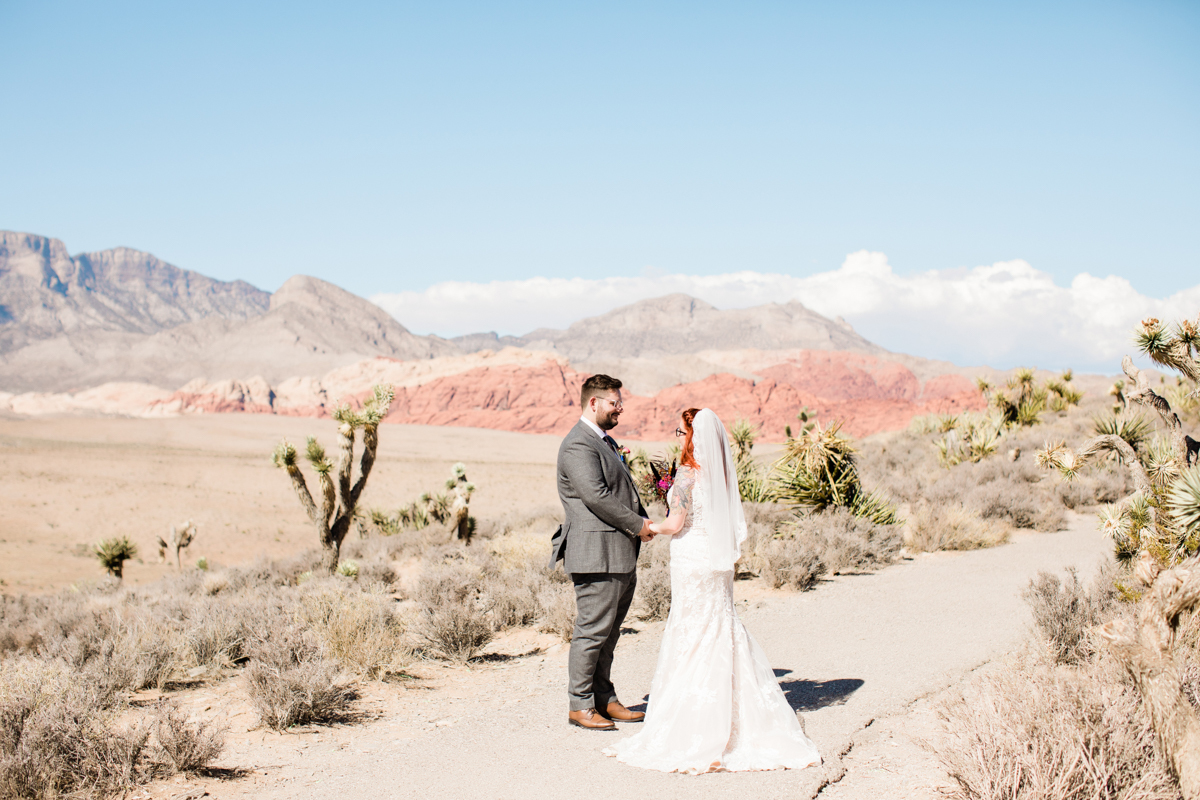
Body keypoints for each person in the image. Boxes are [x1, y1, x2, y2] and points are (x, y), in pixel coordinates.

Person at [605, 407, 821, 773]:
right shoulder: (718, 476)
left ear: (692, 435)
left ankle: (695, 725)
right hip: (715, 562)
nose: (676, 436)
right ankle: (736, 721)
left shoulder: (689, 475)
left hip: (691, 560)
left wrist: (647, 527)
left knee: (692, 630)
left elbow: (675, 524)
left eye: (679, 431)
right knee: (719, 625)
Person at [549, 374, 654, 731]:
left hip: (618, 552)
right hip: (597, 553)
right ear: (593, 403)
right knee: (592, 631)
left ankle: (604, 699)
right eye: (614, 403)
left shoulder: (603, 441)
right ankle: (580, 705)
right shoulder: (579, 444)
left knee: (610, 633)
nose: (620, 408)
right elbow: (595, 496)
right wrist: (639, 524)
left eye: (620, 402)